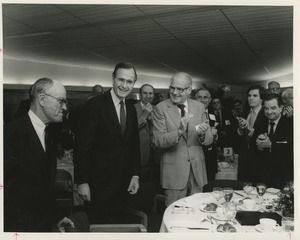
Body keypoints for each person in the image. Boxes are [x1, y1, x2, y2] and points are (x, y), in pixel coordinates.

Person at [73, 62, 140, 224]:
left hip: (123, 185)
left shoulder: (131, 109)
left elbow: (133, 146)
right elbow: (82, 145)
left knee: (119, 228)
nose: (124, 86)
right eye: (121, 80)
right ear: (113, 79)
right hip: (99, 185)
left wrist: (135, 175)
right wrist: (82, 181)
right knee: (98, 228)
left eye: (129, 82)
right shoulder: (95, 105)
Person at [4, 77, 74, 232]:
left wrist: (57, 217)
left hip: (42, 225)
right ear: (42, 99)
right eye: (61, 101)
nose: (64, 108)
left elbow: (45, 187)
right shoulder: (10, 134)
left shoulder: (48, 134)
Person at [152, 72, 213, 206]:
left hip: (197, 170)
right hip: (174, 173)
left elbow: (209, 139)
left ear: (189, 90)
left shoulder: (199, 107)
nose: (174, 92)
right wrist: (179, 131)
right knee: (176, 213)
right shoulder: (161, 108)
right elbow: (157, 140)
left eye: (180, 89)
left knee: (198, 211)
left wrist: (203, 135)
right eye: (172, 88)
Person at [255, 93, 293, 188]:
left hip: (283, 176)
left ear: (281, 108)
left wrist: (271, 145)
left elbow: (291, 147)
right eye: (266, 108)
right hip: (263, 177)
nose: (269, 112)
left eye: (273, 108)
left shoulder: (291, 124)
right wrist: (258, 146)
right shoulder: (260, 123)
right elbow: (252, 147)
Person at [235, 85, 267, 183]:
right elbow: (238, 137)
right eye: (249, 95)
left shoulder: (266, 114)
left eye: (255, 95)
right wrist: (240, 129)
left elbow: (265, 136)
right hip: (244, 160)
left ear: (261, 98)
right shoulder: (244, 113)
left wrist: (249, 128)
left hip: (259, 160)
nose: (251, 98)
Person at [194, 87, 218, 181]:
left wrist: (215, 136)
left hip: (211, 157)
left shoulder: (213, 115)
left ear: (210, 99)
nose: (202, 100)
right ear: (195, 99)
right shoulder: (190, 116)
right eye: (199, 97)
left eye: (205, 97)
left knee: (210, 186)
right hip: (196, 156)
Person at [134, 84, 155, 182]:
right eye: (145, 93)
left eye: (150, 93)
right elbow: (131, 129)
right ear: (140, 94)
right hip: (140, 152)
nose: (148, 96)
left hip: (156, 152)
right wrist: (145, 114)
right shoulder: (132, 109)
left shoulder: (158, 109)